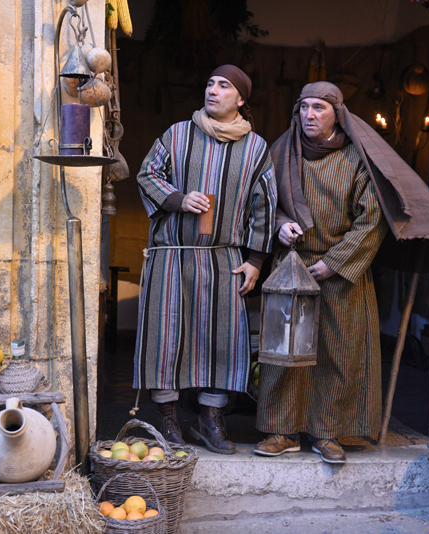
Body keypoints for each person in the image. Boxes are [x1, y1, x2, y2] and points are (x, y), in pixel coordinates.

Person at [134, 65, 277, 454]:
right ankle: (167, 419)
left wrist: (256, 261)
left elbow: (265, 207)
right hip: (172, 257)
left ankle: (209, 419)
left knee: (221, 341)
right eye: (210, 82)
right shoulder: (178, 134)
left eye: (224, 86)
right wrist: (179, 199)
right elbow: (147, 174)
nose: (213, 90)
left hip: (224, 260)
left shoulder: (256, 149)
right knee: (166, 339)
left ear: (241, 99)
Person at [254, 82, 388, 464]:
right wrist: (280, 224)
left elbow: (372, 219)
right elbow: (262, 202)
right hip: (291, 266)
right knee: (285, 353)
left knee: (338, 352)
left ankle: (327, 432)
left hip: (340, 269)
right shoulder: (280, 152)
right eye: (305, 108)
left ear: (337, 114)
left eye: (319, 109)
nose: (310, 116)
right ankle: (282, 430)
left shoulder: (355, 158)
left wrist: (334, 262)